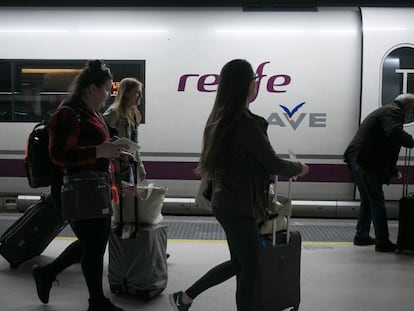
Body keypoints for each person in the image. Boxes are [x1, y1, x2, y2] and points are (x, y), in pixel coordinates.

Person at [169, 59, 309, 311]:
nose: (257, 83)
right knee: (251, 267)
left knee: (240, 264)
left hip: (230, 201)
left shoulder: (223, 117)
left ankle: (185, 297)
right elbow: (272, 163)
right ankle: (187, 298)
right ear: (247, 85)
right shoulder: (245, 122)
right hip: (238, 204)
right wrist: (299, 168)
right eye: (255, 79)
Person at [32, 60, 125, 311]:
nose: (108, 95)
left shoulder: (91, 113)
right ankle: (97, 302)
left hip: (93, 188)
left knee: (93, 242)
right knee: (94, 246)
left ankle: (47, 274)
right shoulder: (68, 113)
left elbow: (99, 147)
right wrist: (98, 151)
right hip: (76, 190)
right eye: (106, 89)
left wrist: (115, 152)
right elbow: (59, 155)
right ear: (91, 89)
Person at [344, 93, 414, 252]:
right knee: (376, 199)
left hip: (360, 159)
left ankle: (361, 236)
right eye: (412, 110)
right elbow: (394, 133)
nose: (411, 114)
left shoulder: (386, 110)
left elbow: (383, 145)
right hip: (363, 160)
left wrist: (391, 169)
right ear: (408, 105)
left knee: (368, 199)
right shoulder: (393, 112)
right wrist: (410, 140)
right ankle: (382, 241)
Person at [103, 77, 146, 184]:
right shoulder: (114, 113)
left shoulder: (133, 114)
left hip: (128, 164)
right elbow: (102, 135)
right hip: (116, 164)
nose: (141, 96)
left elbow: (134, 143)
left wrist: (140, 164)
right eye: (137, 93)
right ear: (126, 93)